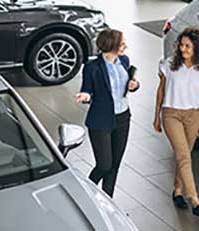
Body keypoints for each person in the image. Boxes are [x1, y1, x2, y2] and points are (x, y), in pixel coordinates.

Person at [154, 27, 199, 217]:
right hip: (171, 114)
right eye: (181, 45)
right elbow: (161, 91)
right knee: (183, 156)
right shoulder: (169, 64)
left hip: (194, 115)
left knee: (185, 155)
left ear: (198, 48)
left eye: (188, 46)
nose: (183, 49)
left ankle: (177, 190)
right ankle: (194, 199)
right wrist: (156, 116)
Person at [75, 29, 139, 198]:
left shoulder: (124, 61)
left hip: (123, 118)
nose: (125, 45)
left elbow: (130, 84)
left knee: (114, 165)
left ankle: (107, 202)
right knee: (104, 165)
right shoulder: (92, 67)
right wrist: (86, 96)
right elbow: (88, 91)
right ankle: (86, 194)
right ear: (111, 45)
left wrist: (135, 85)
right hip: (100, 120)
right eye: (122, 43)